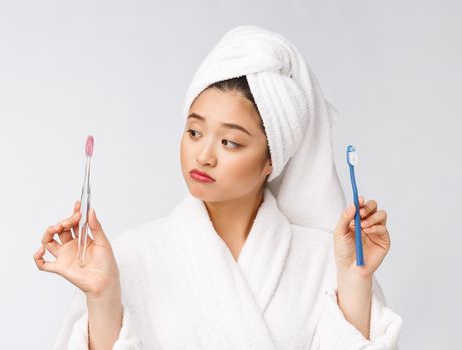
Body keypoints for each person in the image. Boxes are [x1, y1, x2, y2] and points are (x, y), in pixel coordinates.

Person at [34, 25, 403, 350]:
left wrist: (355, 281)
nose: (204, 156)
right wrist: (102, 295)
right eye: (194, 132)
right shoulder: (130, 256)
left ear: (271, 159)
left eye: (230, 142)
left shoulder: (323, 259)